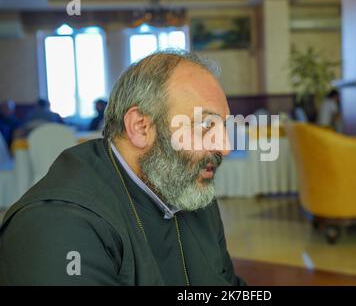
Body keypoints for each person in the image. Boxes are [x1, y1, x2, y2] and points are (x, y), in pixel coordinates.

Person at [0, 51, 245, 286]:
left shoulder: (191, 190)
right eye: (205, 125)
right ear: (140, 127)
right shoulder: (58, 224)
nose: (225, 146)